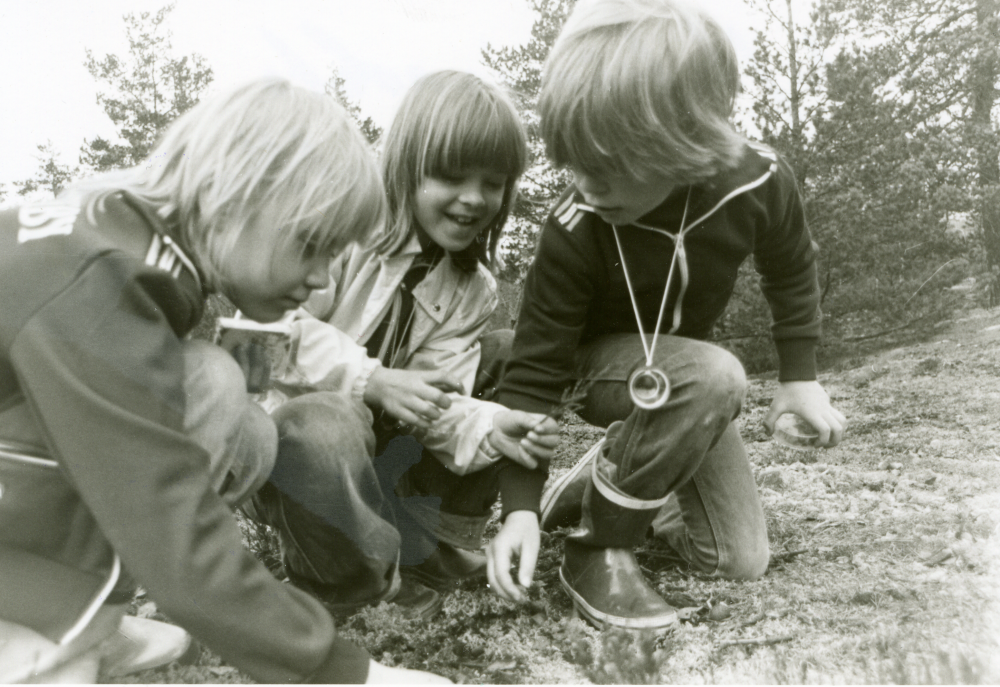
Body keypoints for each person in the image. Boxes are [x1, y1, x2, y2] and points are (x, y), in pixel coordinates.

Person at [0, 78, 448, 684]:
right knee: (201, 394)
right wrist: (346, 673)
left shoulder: (118, 233)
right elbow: (166, 522)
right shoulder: (96, 281)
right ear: (229, 194)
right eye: (311, 244)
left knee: (213, 387)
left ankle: (80, 613)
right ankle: (33, 646)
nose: (320, 280)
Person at [487, 0, 848, 629]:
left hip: (681, 383)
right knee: (714, 375)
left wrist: (800, 379)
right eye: (574, 161)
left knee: (737, 559)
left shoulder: (758, 182)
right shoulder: (576, 228)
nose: (587, 186)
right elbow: (534, 379)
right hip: (597, 370)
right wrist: (519, 509)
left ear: (685, 139)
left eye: (608, 164)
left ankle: (613, 472)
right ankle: (598, 546)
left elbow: (791, 266)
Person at [246, 70, 560, 619]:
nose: (474, 199)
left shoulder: (472, 288)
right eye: (451, 176)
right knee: (329, 423)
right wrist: (374, 381)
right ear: (406, 167)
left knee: (507, 350)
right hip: (278, 447)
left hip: (377, 449)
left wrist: (490, 427)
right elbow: (267, 335)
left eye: (493, 182)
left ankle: (429, 547)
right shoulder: (342, 229)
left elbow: (435, 400)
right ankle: (350, 578)